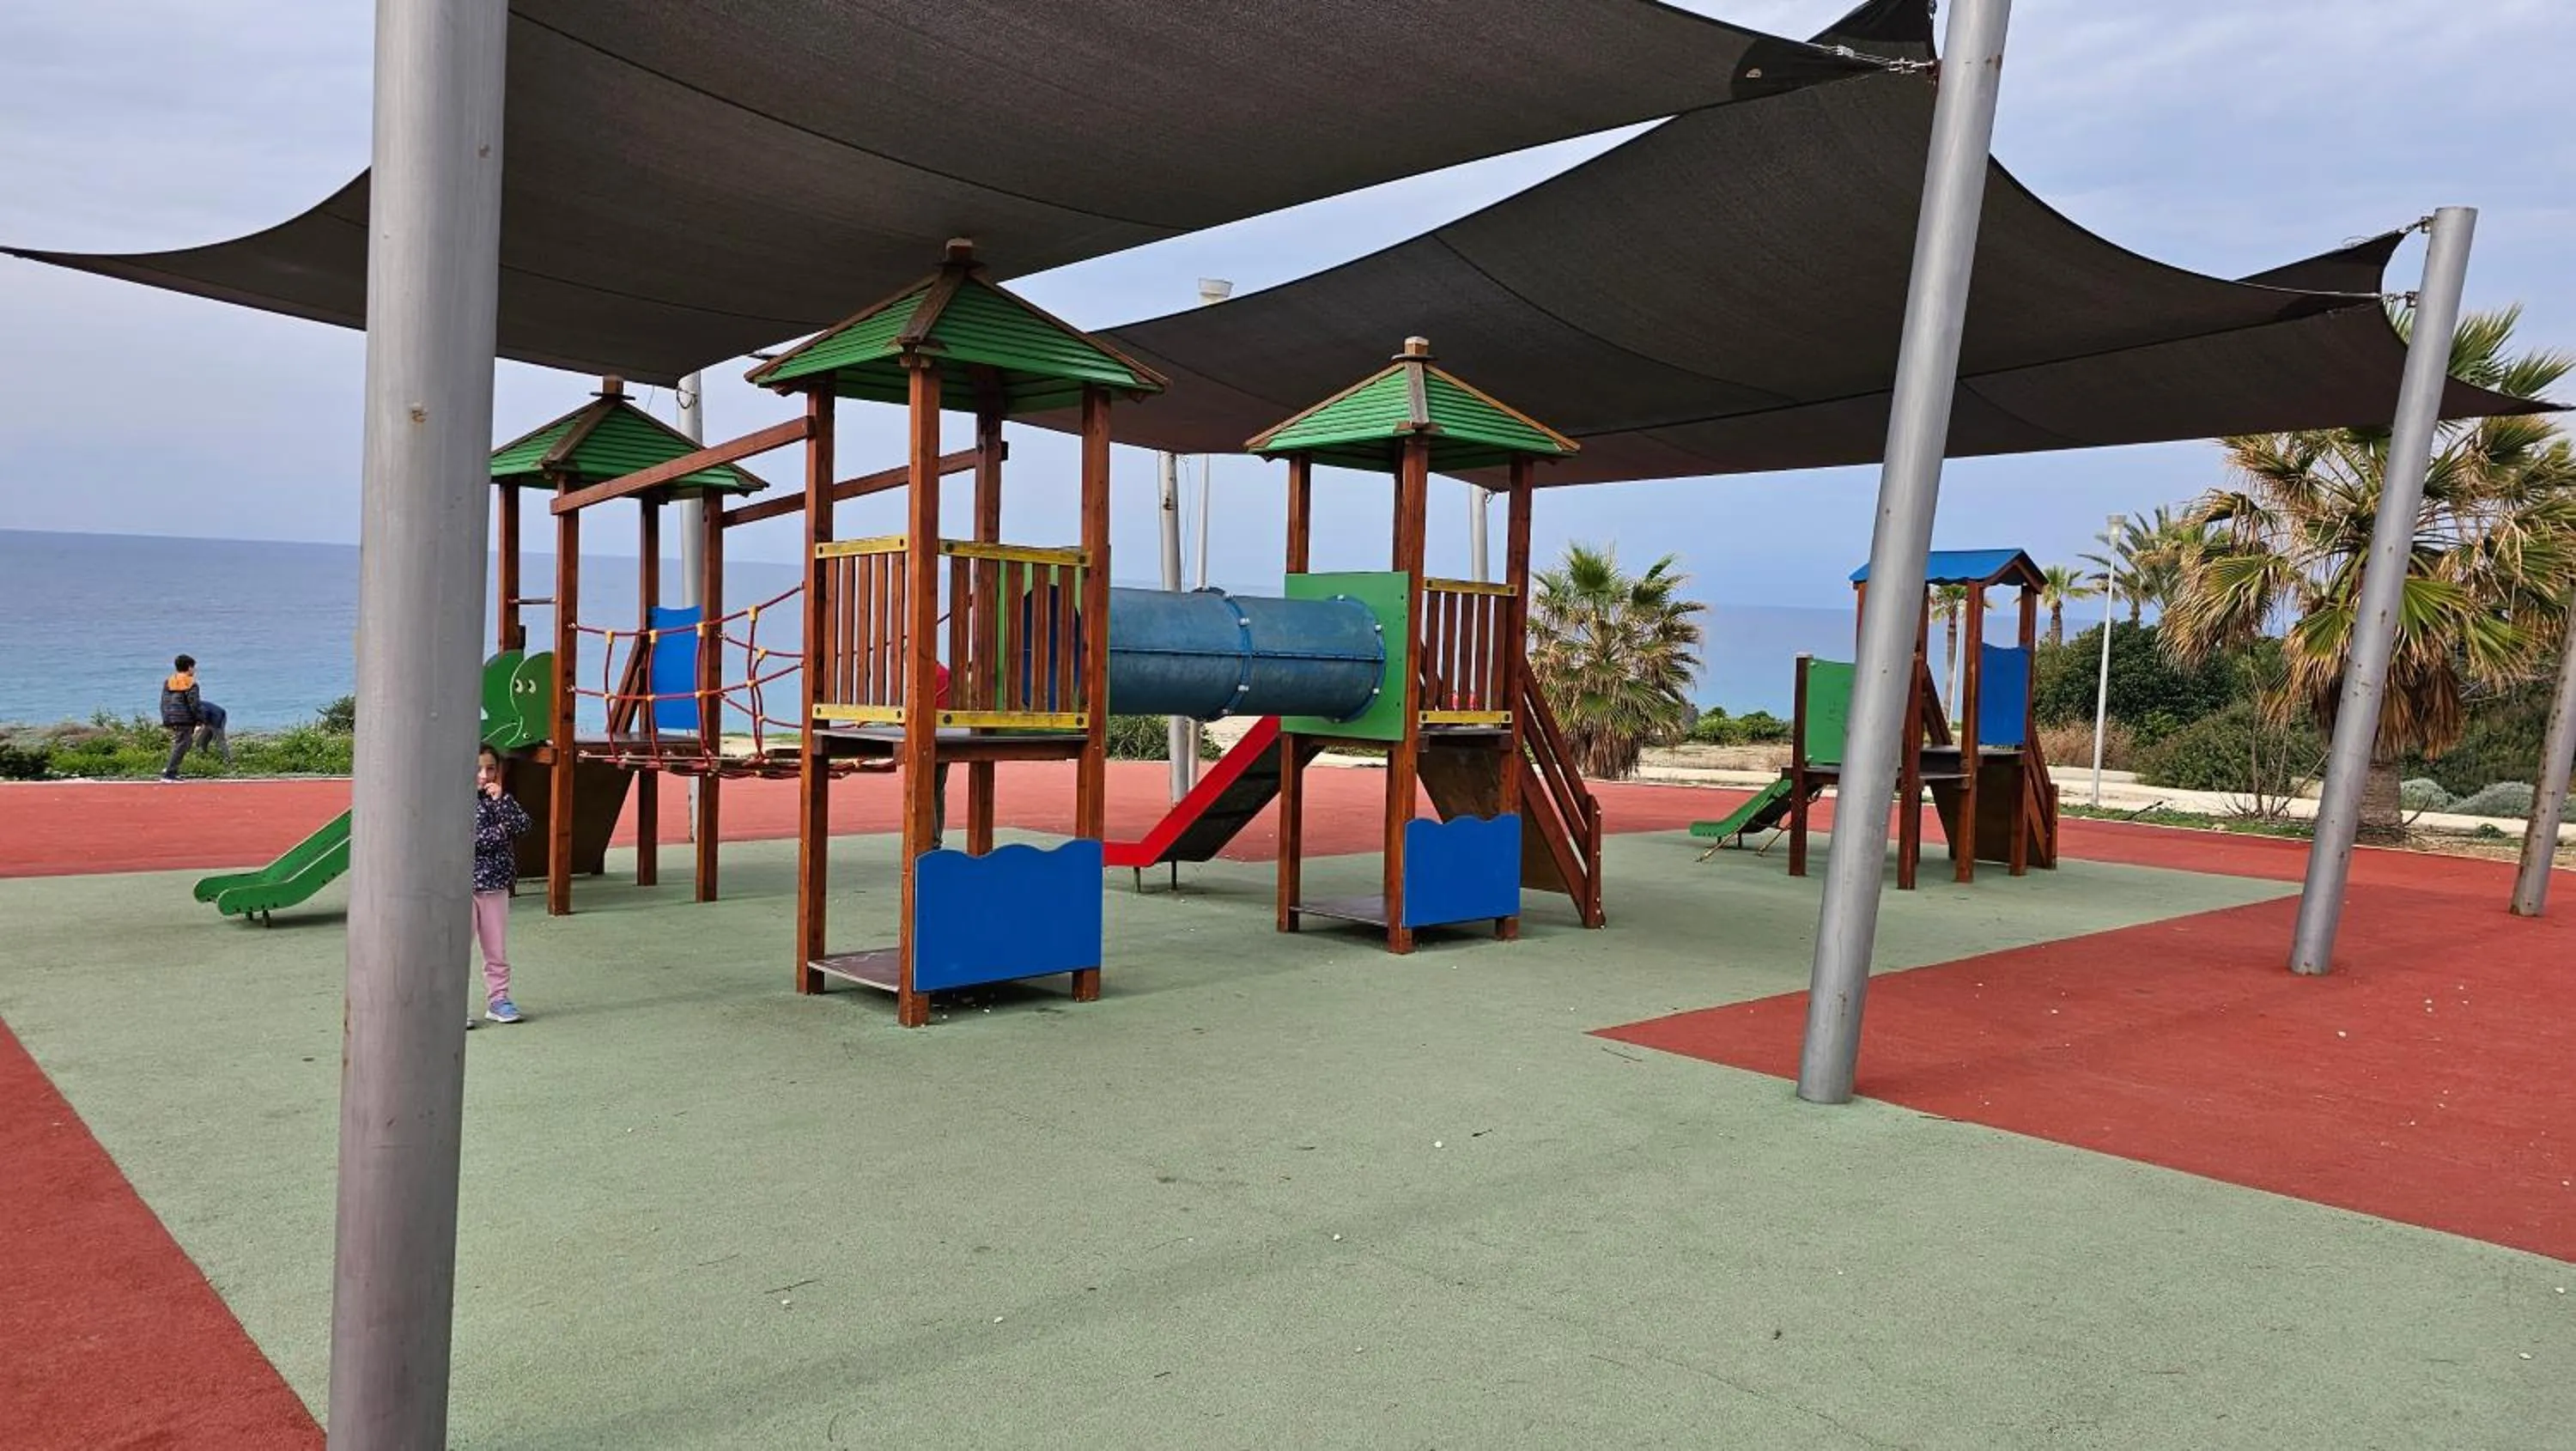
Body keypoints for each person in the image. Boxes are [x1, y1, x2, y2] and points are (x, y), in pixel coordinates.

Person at [471, 744, 532, 1025]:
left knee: (496, 950)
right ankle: (450, 1006)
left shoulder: (499, 801)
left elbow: (523, 825)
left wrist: (503, 802)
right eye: (478, 768)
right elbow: (472, 841)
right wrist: (501, 831)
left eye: (491, 768)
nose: (484, 775)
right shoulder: (454, 802)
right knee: (456, 951)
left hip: (495, 886)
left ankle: (499, 1000)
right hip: (464, 888)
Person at [158, 654, 230, 780]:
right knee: (182, 744)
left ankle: (171, 770)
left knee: (184, 743)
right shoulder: (191, 683)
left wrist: (166, 718)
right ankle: (170, 772)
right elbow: (194, 704)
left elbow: (164, 701)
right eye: (193, 667)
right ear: (189, 667)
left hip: (171, 716)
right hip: (185, 718)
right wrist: (200, 719)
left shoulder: (169, 681)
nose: (194, 670)